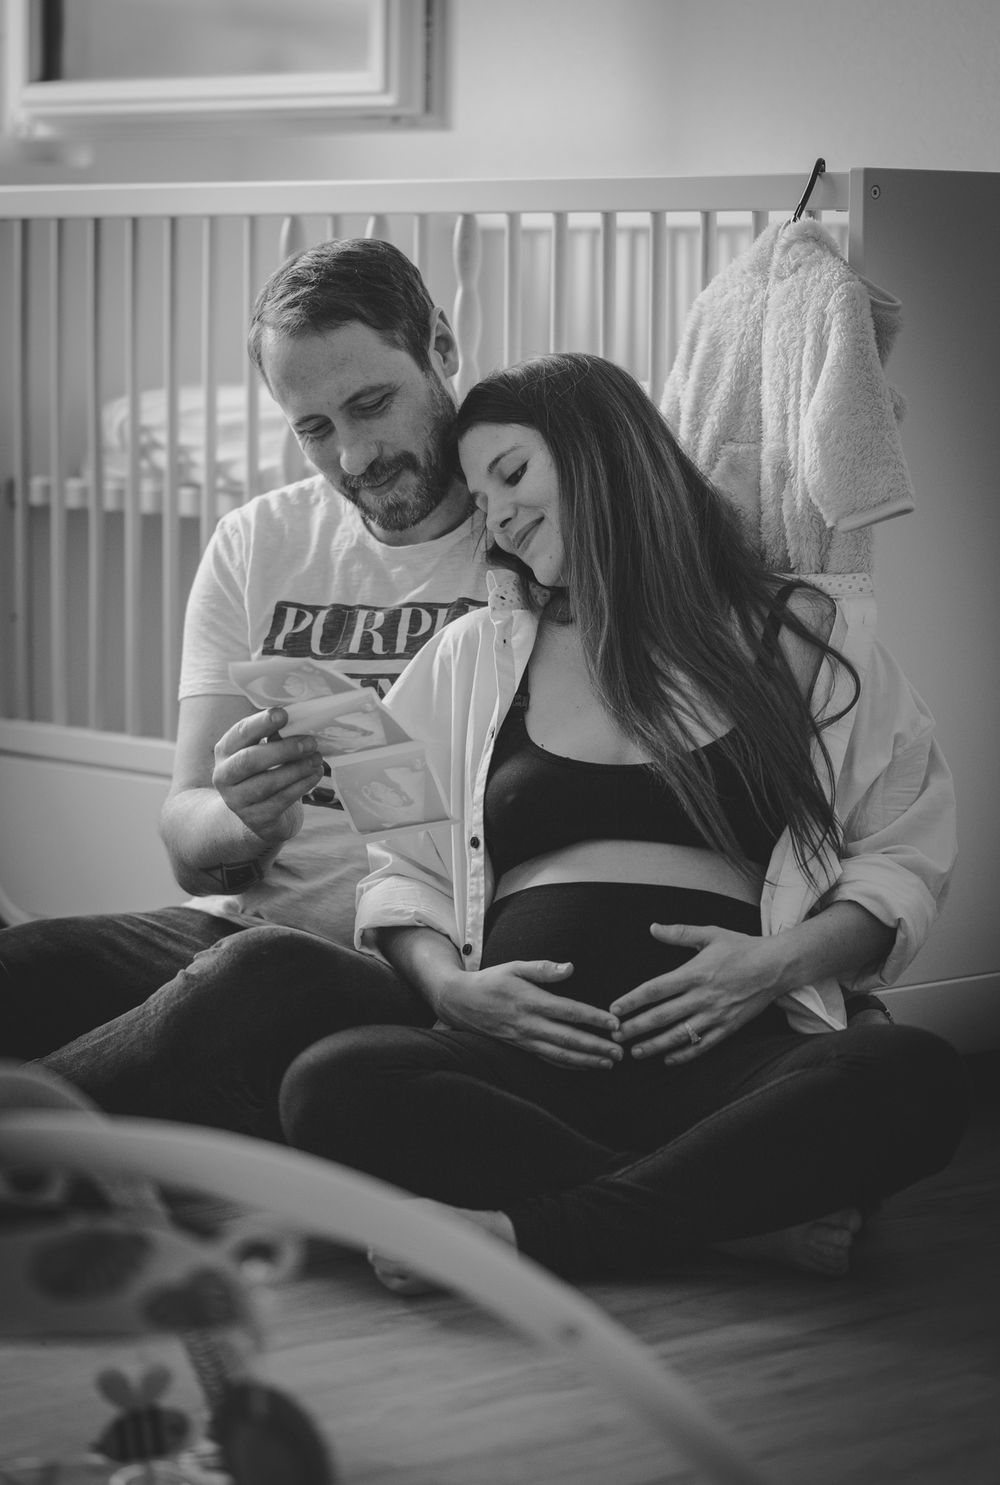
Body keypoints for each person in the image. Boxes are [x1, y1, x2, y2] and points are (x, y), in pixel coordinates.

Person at [279, 352, 968, 1284]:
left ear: (603, 452)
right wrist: (449, 991)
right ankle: (714, 1219)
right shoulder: (467, 659)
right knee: (330, 1082)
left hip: (728, 1064)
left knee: (914, 1078)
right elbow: (403, 873)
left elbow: (899, 857)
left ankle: (529, 1233)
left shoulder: (799, 635)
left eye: (513, 473)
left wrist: (771, 967)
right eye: (481, 498)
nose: (499, 514)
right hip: (522, 1071)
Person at [0, 238, 493, 1138]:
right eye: (313, 429)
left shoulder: (532, 528)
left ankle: (32, 1140)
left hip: (407, 960)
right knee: (27, 962)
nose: (351, 458)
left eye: (371, 404)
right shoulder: (257, 541)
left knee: (261, 974)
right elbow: (188, 843)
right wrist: (243, 818)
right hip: (233, 926)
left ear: (443, 347)